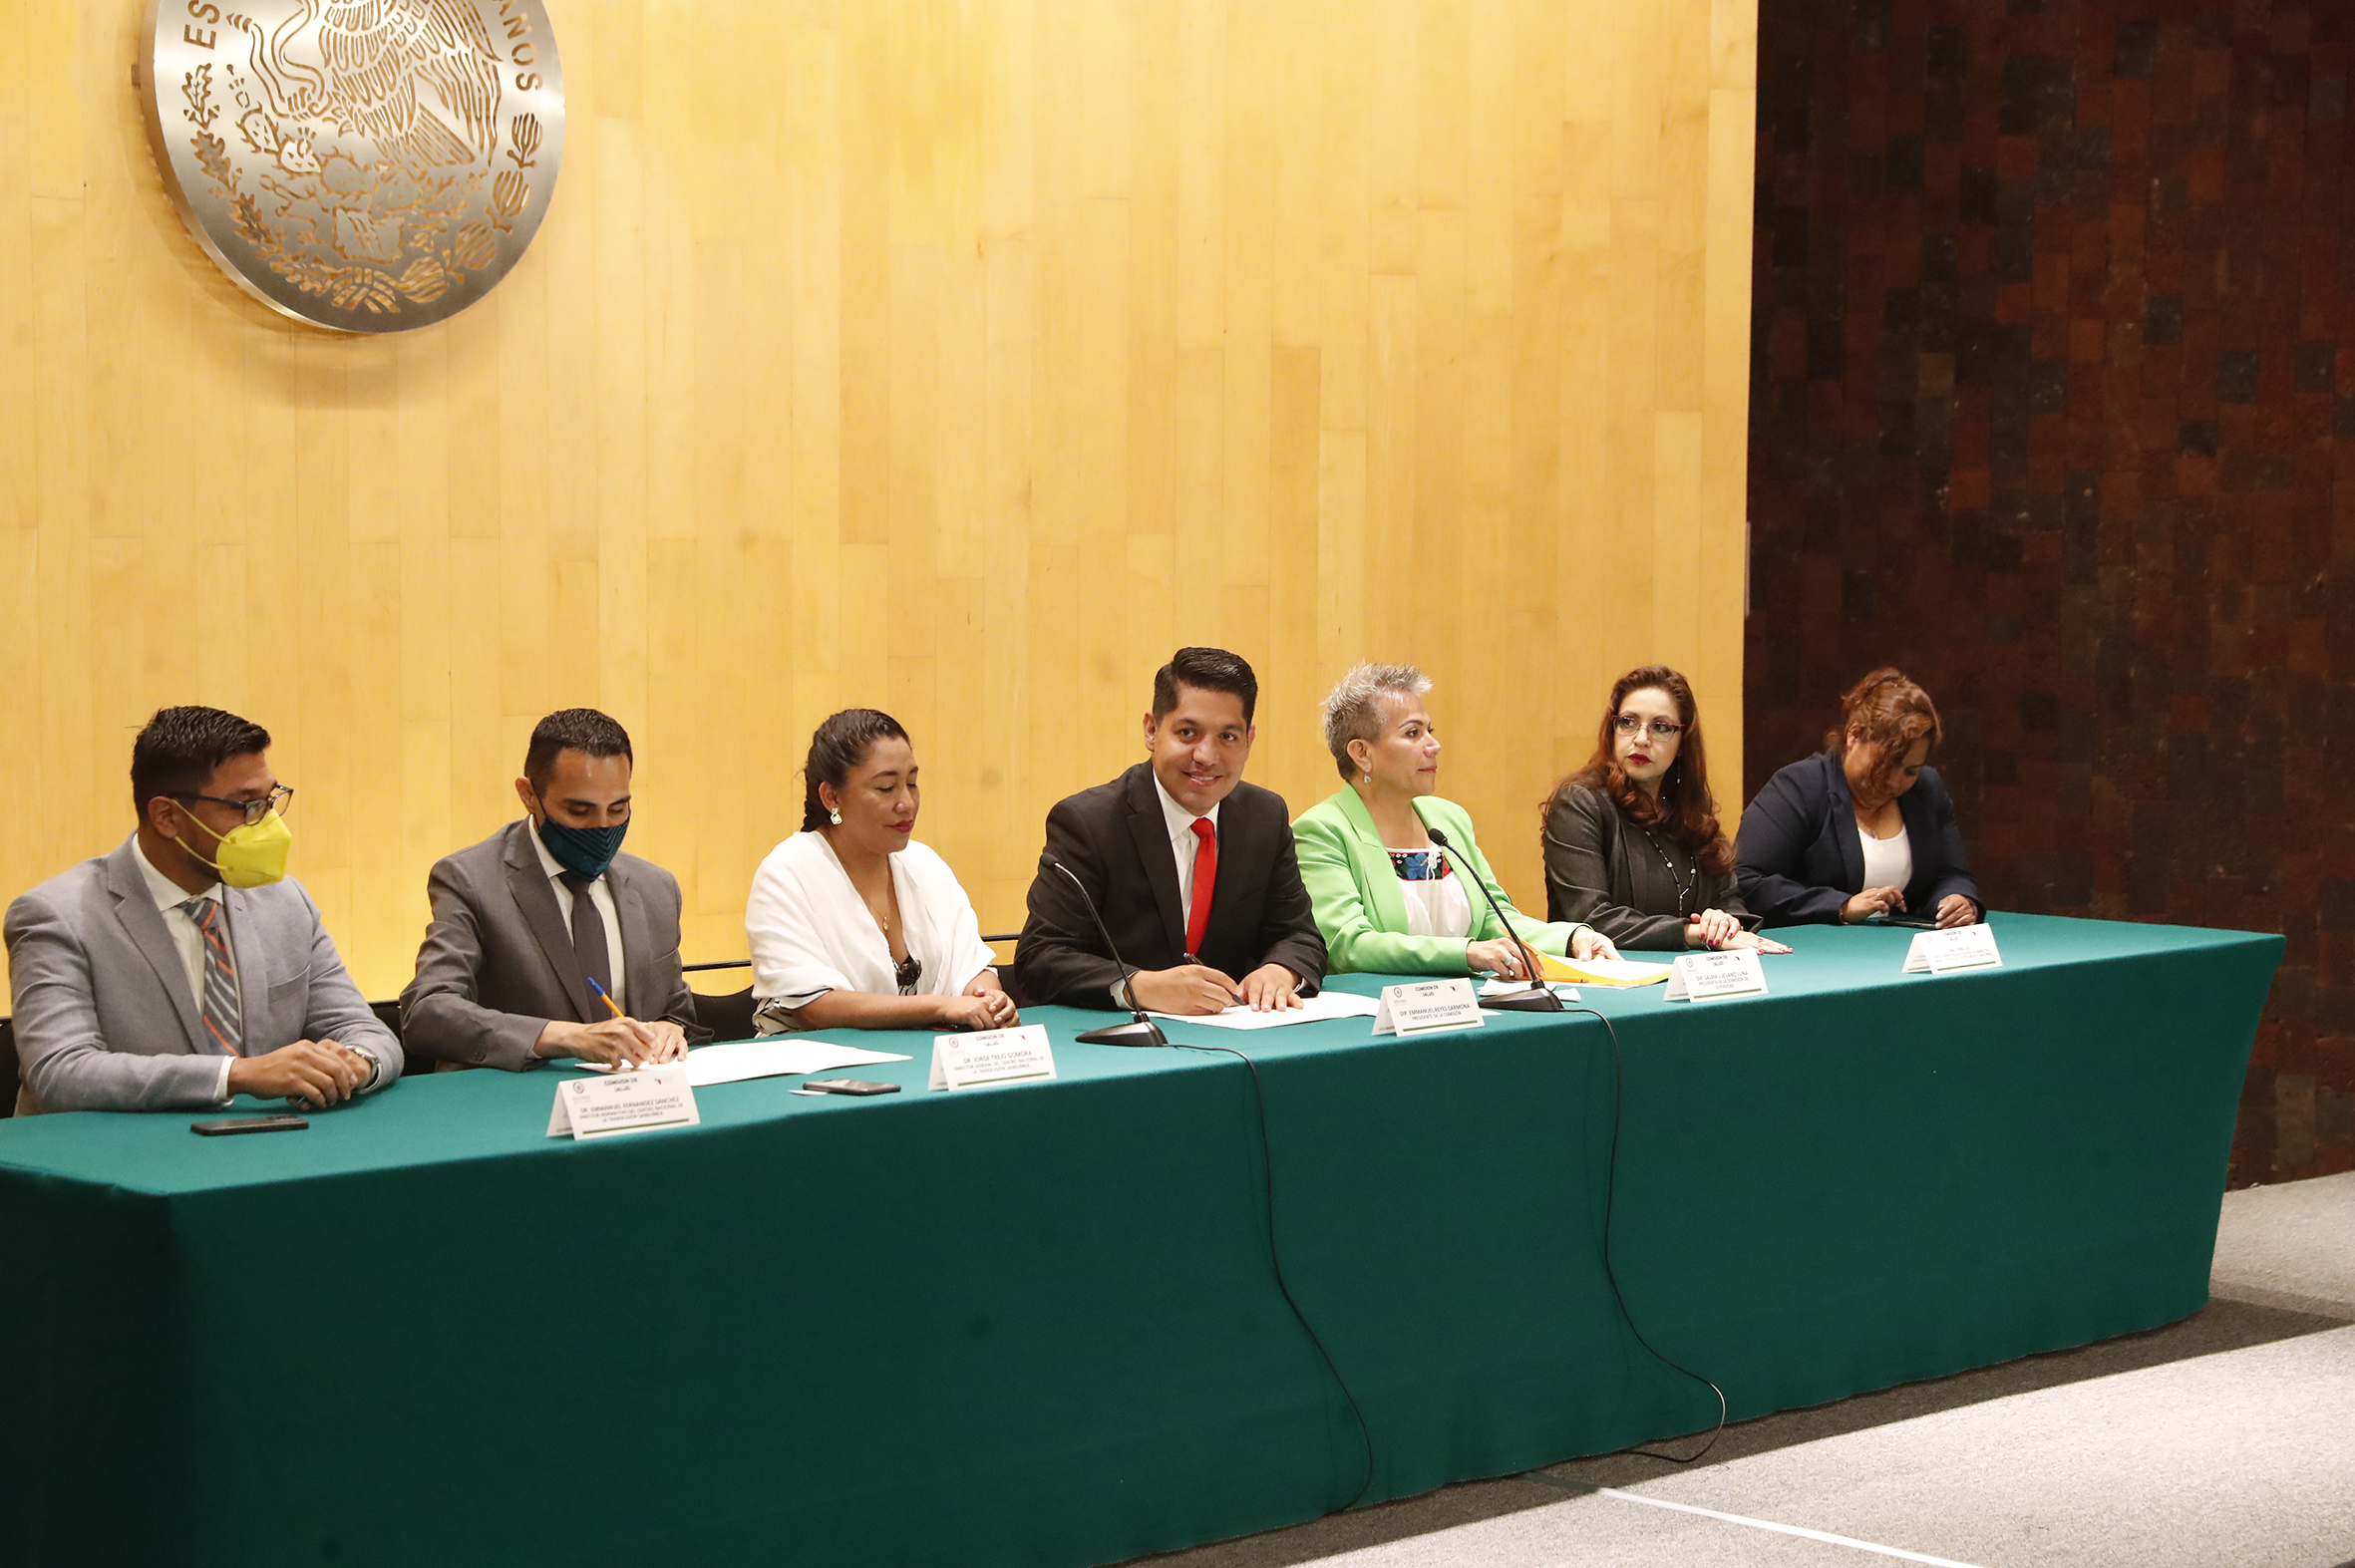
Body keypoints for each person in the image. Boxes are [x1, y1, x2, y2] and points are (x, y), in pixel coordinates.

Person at [3, 706, 401, 1115]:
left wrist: (356, 1063)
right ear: (167, 817)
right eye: (246, 807)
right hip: (111, 1150)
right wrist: (237, 1074)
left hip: (268, 1145)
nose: (268, 825)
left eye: (270, 801)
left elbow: (364, 1030)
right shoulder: (57, 915)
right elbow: (61, 1072)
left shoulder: (285, 900)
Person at [1015, 647, 1326, 1014]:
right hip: (1120, 1035)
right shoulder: (1088, 822)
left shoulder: (1264, 817)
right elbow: (1040, 957)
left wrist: (1280, 970)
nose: (1206, 756)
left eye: (1228, 737)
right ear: (1152, 730)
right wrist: (1139, 986)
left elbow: (1299, 935)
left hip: (1237, 1032)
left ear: (1249, 741)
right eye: (1188, 733)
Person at [401, 709, 701, 1071]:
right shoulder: (471, 880)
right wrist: (565, 1037)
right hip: (516, 1097)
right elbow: (427, 1011)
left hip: (637, 1095)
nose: (602, 828)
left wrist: (671, 1028)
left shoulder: (656, 888)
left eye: (618, 809)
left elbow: (676, 1010)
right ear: (529, 794)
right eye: (579, 811)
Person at [1292, 663, 1621, 977]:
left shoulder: (1448, 819)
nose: (1434, 745)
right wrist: (1466, 953)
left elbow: (1494, 919)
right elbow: (1349, 944)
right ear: (1362, 753)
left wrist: (1572, 937)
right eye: (1413, 733)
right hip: (1374, 1007)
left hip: (1462, 1003)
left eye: (1429, 730)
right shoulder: (1322, 831)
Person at [745, 709, 1016, 1033]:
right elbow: (814, 1008)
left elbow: (972, 967)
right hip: (815, 1059)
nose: (907, 803)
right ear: (832, 797)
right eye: (886, 788)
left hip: (928, 1053)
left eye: (912, 783)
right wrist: (940, 1007)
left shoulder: (925, 864)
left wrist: (989, 1000)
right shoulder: (787, 872)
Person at [1540, 665, 1789, 953]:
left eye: (1660, 727)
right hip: (1603, 972)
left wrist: (1722, 922)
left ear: (1683, 742)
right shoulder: (1579, 804)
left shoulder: (1690, 812)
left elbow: (1730, 900)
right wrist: (1693, 933)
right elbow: (1590, 919)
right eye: (1628, 722)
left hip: (1694, 973)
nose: (1641, 739)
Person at [1737, 668, 1983, 928]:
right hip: (1813, 947)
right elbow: (1746, 880)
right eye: (1885, 764)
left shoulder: (1927, 789)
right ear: (1853, 736)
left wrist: (1957, 899)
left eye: (1911, 771)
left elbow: (1954, 875)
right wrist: (1841, 906)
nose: (1895, 782)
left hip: (1900, 947)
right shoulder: (1799, 787)